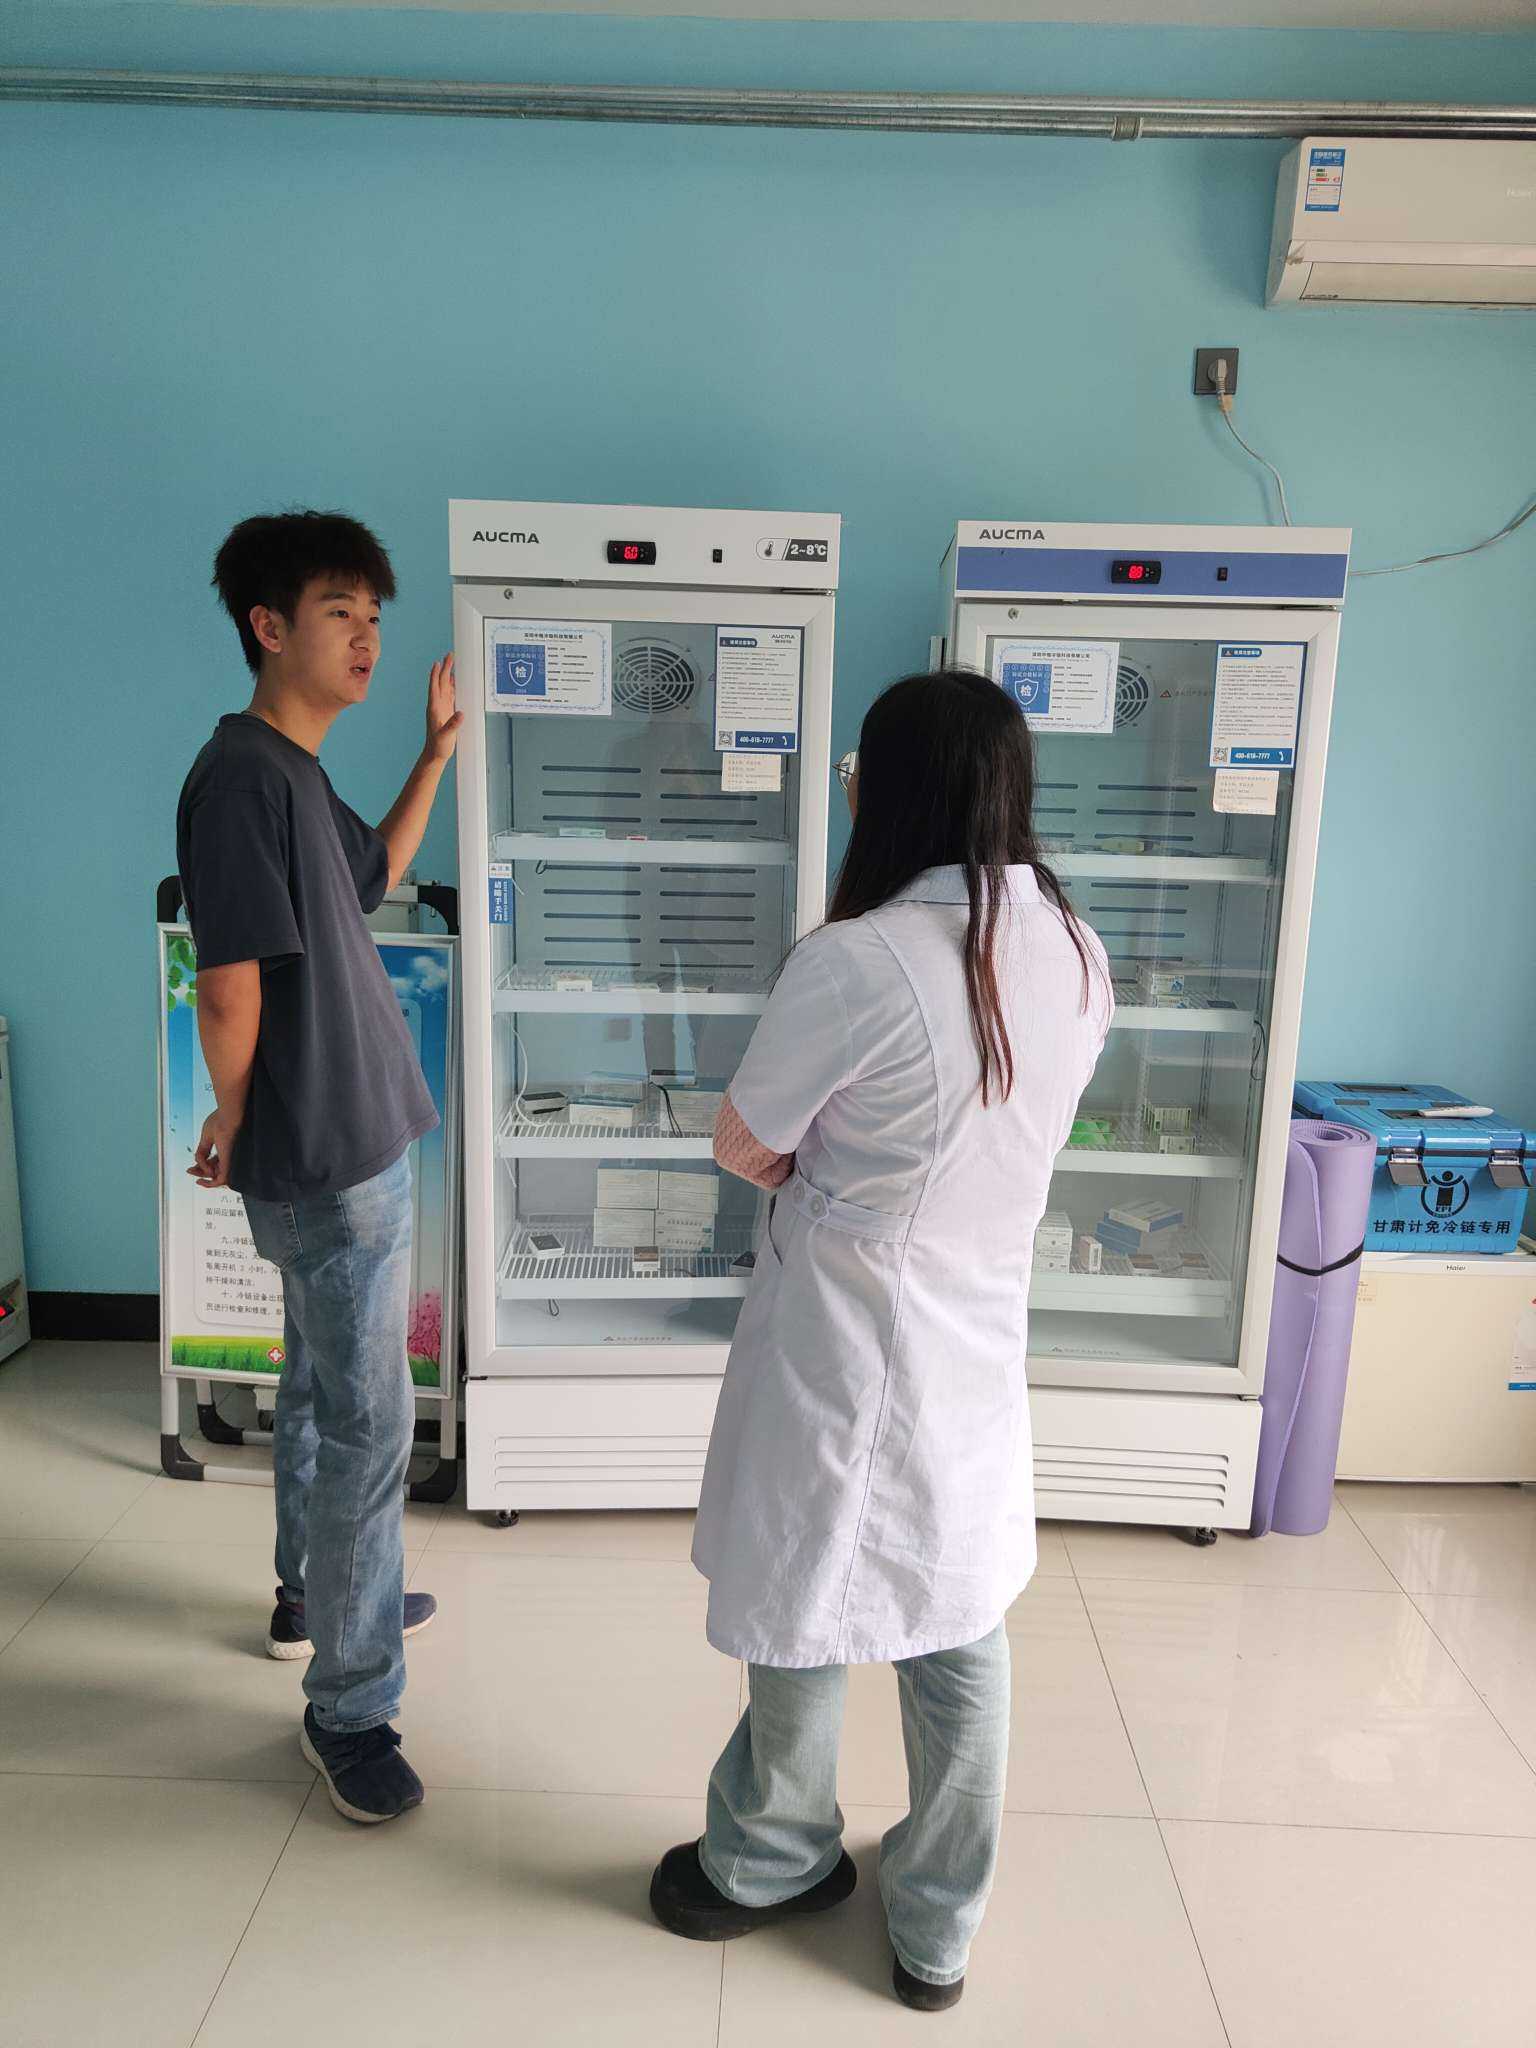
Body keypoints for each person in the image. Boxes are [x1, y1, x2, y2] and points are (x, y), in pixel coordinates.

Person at [649, 669, 1112, 2009]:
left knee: (799, 1586)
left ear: (891, 790)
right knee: (957, 1612)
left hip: (847, 1331)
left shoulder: (857, 959)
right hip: (976, 1336)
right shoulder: (1079, 953)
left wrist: (845, 1181)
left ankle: (772, 1855)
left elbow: (745, 1143)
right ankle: (938, 1928)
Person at [176, 510, 462, 1825]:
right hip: (326, 1155)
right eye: (340, 610)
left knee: (318, 1388)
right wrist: (238, 1115)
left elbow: (378, 872)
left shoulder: (293, 774)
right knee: (367, 1427)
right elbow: (226, 985)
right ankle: (351, 1707)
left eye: (374, 616)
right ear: (268, 625)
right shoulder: (240, 779)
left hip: (354, 1140)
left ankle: (319, 1595)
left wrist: (435, 751)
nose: (368, 637)